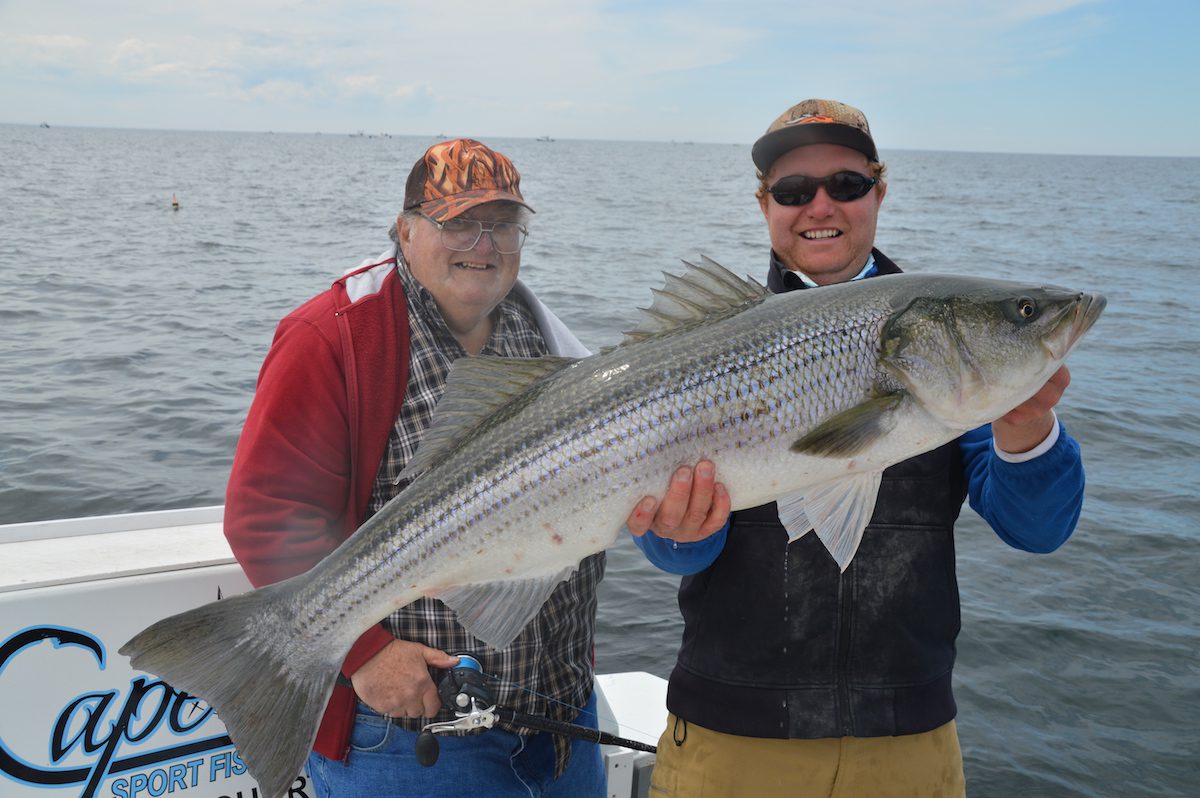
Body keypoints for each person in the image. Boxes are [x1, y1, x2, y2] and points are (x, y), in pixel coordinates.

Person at [626, 99, 1087, 797]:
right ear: (764, 205)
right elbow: (668, 549)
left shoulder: (938, 350)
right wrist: (681, 532)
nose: (820, 206)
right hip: (732, 741)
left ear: (879, 190)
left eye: (845, 184)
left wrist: (1024, 432)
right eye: (792, 190)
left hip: (908, 743)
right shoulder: (709, 342)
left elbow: (1038, 529)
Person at [224, 138, 607, 797]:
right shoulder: (335, 334)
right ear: (404, 231)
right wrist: (363, 654)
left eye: (503, 224)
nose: (482, 244)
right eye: (457, 222)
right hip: (413, 741)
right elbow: (265, 511)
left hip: (565, 723)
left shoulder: (542, 331)